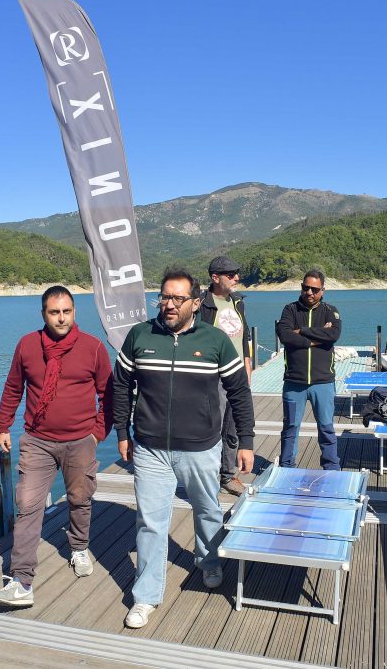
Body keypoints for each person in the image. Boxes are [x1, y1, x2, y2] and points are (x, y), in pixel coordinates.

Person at [114, 269, 255, 629]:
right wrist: (122, 431)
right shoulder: (140, 335)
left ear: (195, 302)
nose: (170, 304)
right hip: (150, 448)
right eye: (165, 297)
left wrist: (247, 441)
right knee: (150, 522)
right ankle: (146, 596)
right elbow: (120, 386)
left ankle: (208, 562)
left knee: (207, 509)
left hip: (201, 447)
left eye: (178, 298)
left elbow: (239, 391)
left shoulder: (215, 340)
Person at [0, 286, 113, 607]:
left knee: (80, 498)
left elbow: (108, 394)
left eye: (66, 311)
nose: (61, 318)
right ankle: (21, 581)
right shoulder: (27, 345)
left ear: (74, 312)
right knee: (27, 504)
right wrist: (3, 425)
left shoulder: (93, 347)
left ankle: (79, 547)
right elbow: (13, 387)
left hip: (80, 440)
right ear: (43, 314)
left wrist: (97, 433)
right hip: (37, 440)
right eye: (54, 312)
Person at [197, 255, 253, 496]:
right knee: (212, 427)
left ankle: (228, 475)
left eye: (236, 273)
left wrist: (248, 365)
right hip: (214, 376)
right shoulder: (202, 304)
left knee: (233, 427)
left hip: (237, 374)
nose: (236, 278)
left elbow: (244, 336)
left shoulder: (237, 301)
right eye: (230, 274)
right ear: (215, 277)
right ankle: (207, 477)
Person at [276, 269, 342, 470]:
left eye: (315, 289)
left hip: (323, 382)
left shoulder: (330, 311)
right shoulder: (290, 310)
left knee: (326, 428)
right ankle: (287, 467)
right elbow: (285, 336)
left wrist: (302, 331)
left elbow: (333, 335)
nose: (310, 292)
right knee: (290, 427)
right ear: (301, 287)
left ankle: (331, 467)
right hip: (294, 382)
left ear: (323, 290)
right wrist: (316, 339)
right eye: (306, 288)